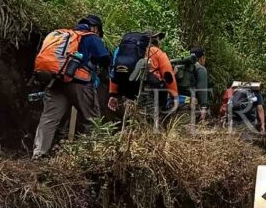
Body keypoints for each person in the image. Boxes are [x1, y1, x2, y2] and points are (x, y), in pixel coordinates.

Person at [32, 15, 110, 159]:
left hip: (56, 81)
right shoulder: (91, 37)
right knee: (92, 120)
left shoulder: (61, 35)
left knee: (49, 118)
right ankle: (91, 157)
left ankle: (39, 153)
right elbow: (105, 58)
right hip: (79, 83)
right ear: (95, 28)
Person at [108, 31, 178, 113]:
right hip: (148, 89)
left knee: (129, 116)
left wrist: (113, 94)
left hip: (125, 89)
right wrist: (175, 96)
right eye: (158, 38)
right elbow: (168, 75)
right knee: (150, 115)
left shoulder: (120, 50)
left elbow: (114, 71)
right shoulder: (157, 52)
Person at [171, 48, 209, 120]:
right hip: (190, 103)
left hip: (175, 101)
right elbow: (202, 89)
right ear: (201, 58)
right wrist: (204, 107)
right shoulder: (200, 69)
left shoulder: (181, 66)